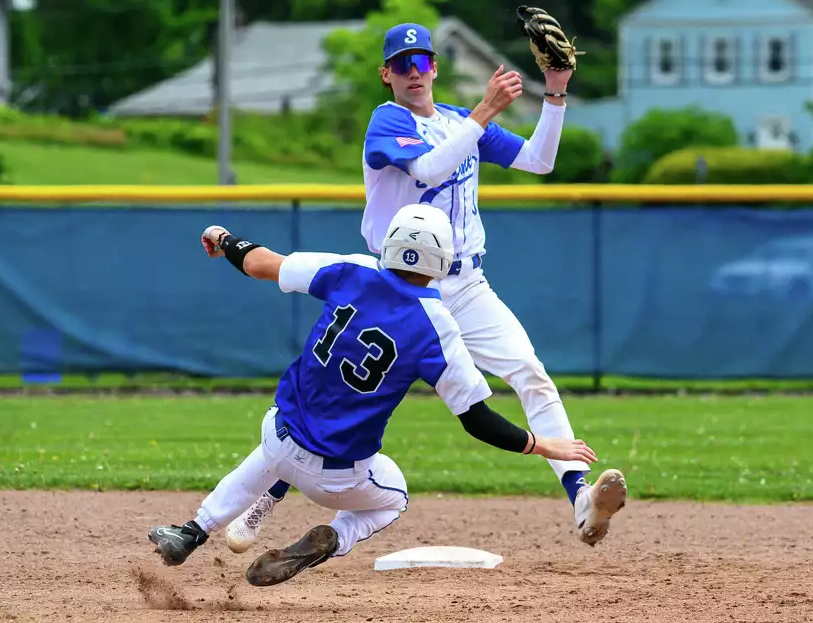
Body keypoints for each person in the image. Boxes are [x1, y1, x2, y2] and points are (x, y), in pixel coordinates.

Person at [227, 22, 627, 553]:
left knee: (530, 374)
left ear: (436, 67)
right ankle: (265, 499)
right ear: (386, 74)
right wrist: (484, 113)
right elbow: (426, 167)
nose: (413, 73)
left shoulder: (460, 121)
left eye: (422, 62)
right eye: (401, 64)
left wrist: (554, 92)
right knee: (341, 393)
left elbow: (539, 160)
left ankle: (580, 499)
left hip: (466, 284)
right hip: (398, 287)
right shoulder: (388, 120)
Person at [148, 203, 598, 586]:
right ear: (442, 261)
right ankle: (335, 539)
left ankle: (193, 530)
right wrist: (542, 445)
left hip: (279, 434)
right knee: (395, 496)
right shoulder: (437, 325)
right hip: (337, 479)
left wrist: (223, 238)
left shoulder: (353, 270)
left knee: (275, 446)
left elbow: (259, 263)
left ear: (390, 244)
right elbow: (476, 418)